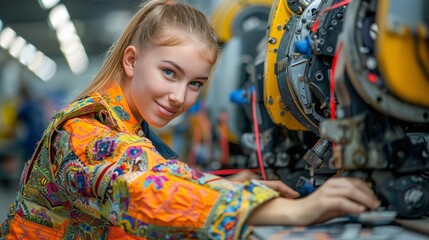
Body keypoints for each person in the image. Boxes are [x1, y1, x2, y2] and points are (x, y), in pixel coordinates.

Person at [0, 0, 380, 239]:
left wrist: (231, 188)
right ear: (131, 61)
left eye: (195, 83)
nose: (180, 97)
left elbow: (156, 169)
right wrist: (295, 210)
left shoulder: (131, 125)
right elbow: (139, 187)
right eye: (169, 72)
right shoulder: (83, 131)